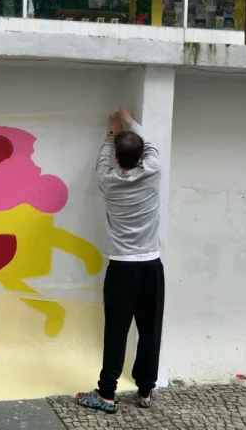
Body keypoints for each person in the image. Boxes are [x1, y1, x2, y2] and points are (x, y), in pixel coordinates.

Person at [76, 107, 165, 413]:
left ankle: (106, 394)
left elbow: (103, 155)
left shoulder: (107, 178)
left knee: (116, 330)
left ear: (117, 158)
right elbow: (149, 142)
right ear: (141, 157)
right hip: (152, 266)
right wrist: (127, 120)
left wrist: (111, 130)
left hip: (123, 268)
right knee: (150, 330)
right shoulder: (153, 170)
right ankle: (145, 391)